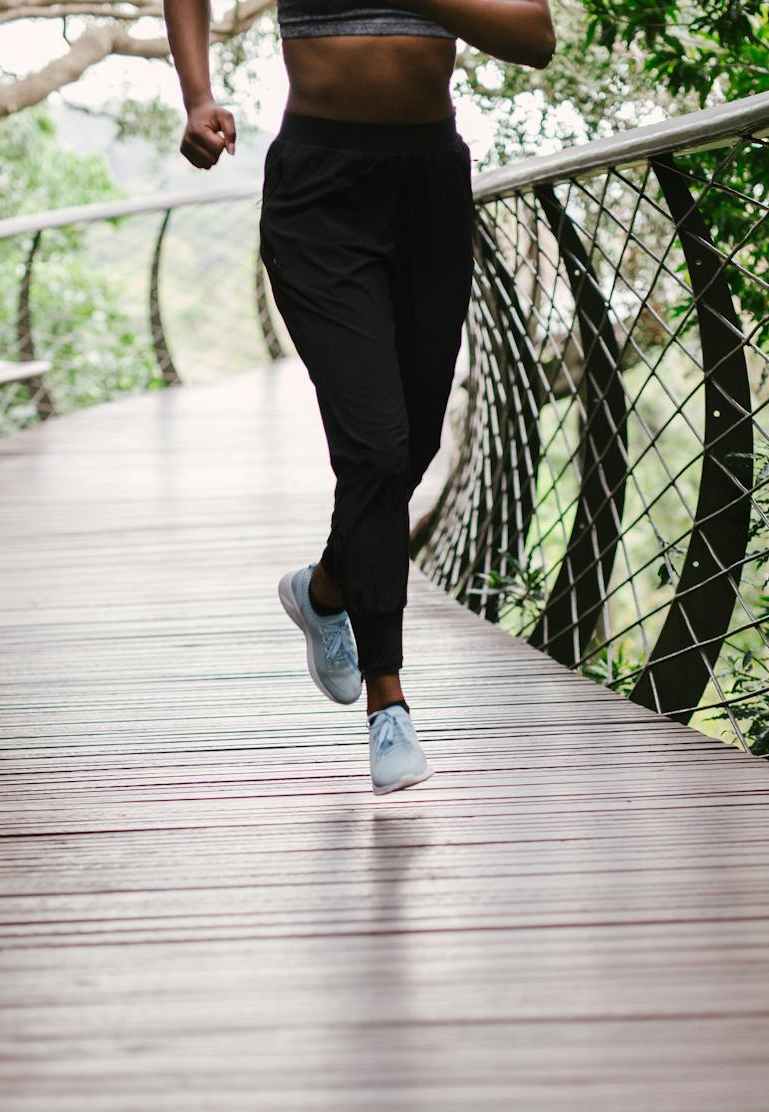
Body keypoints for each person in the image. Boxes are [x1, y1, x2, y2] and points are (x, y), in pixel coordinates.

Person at [165, 0, 554, 794]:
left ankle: (326, 589)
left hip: (429, 186)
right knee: (374, 447)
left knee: (414, 445)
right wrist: (198, 96)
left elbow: (534, 37)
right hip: (320, 191)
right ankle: (389, 704)